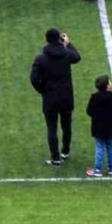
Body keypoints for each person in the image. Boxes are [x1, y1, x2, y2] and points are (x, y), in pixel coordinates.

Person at [30, 28, 82, 165]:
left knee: (51, 128)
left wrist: (42, 90)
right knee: (67, 125)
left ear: (46, 40)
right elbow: (77, 57)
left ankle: (55, 157)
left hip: (50, 97)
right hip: (66, 96)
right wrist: (68, 44)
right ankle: (65, 151)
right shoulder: (66, 53)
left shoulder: (41, 59)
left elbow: (34, 79)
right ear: (60, 39)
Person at [85, 75, 112, 177]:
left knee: (100, 147)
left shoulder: (94, 97)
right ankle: (111, 168)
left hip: (98, 127)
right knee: (110, 147)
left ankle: (97, 170)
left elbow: (89, 111)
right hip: (111, 126)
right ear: (107, 86)